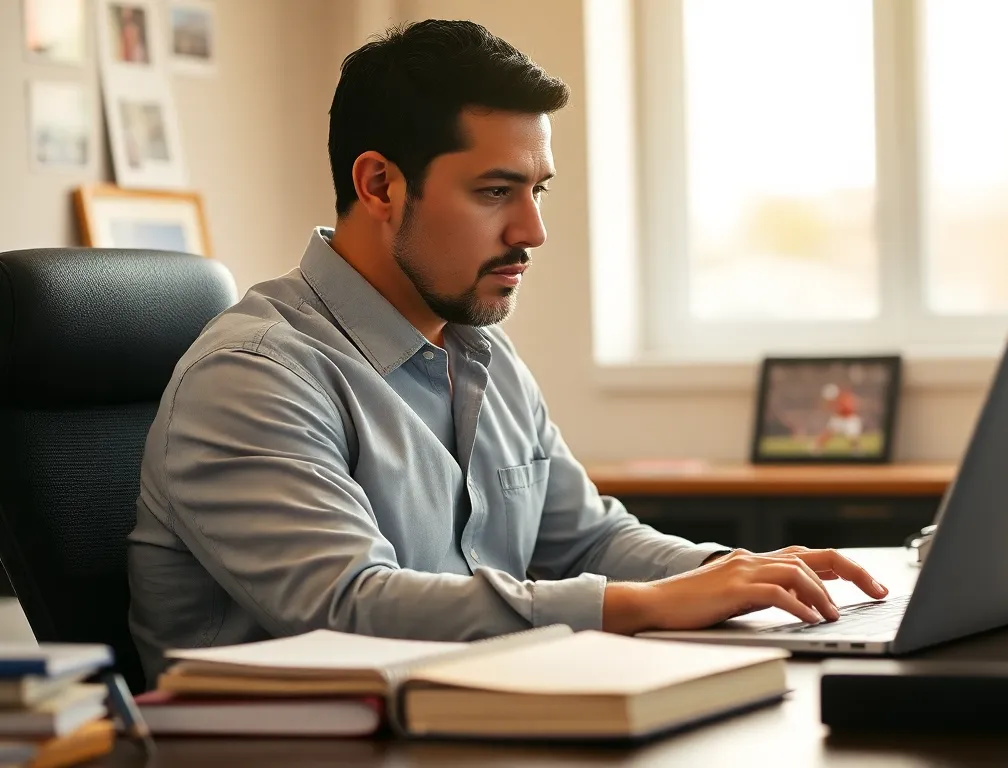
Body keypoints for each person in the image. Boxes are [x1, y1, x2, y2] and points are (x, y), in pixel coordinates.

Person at [126, 20, 887, 685]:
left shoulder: (479, 350)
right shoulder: (253, 374)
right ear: (380, 183)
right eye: (496, 192)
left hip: (466, 725)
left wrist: (734, 575)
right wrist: (647, 604)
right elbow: (347, 607)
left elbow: (585, 538)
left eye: (538, 191)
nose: (532, 230)